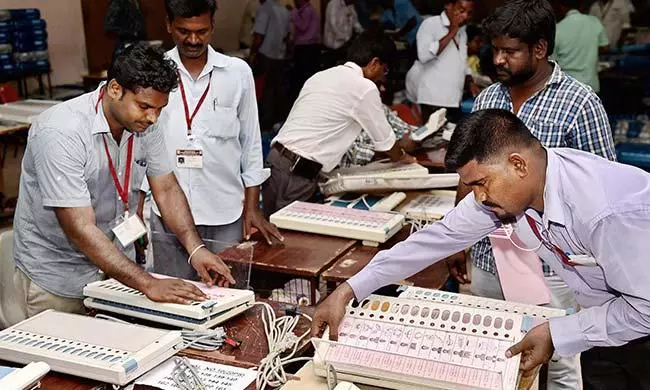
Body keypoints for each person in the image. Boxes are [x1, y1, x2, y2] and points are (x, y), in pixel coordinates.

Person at [311, 108, 650, 388]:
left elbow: (645, 309)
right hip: (607, 328)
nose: (479, 197)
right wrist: (350, 288)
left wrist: (559, 332)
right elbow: (437, 238)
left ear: (518, 164)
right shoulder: (514, 192)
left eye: (481, 184)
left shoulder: (606, 212)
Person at [0, 43, 235, 329]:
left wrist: (196, 249)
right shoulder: (61, 132)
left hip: (111, 273)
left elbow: (166, 188)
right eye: (145, 107)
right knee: (59, 369)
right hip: (57, 279)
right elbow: (80, 228)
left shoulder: (145, 123)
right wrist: (147, 283)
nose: (153, 117)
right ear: (114, 89)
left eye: (160, 109)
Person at [446, 1, 617, 387]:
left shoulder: (580, 103)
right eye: (495, 50)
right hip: (491, 256)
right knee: (491, 353)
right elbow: (469, 176)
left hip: (552, 265)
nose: (499, 60)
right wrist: (458, 241)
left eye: (510, 51)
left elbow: (599, 187)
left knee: (557, 361)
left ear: (539, 49)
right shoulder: (489, 100)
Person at [141, 0, 282, 282]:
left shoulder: (237, 73)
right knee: (173, 295)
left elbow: (251, 142)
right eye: (183, 31)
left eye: (202, 31)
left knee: (227, 295)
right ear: (168, 25)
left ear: (212, 27)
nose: (193, 40)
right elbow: (138, 140)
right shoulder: (153, 72)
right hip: (166, 212)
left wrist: (252, 206)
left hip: (225, 211)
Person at [262, 33, 416, 216]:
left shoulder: (321, 76)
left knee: (272, 235)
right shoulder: (364, 87)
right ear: (374, 63)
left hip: (276, 161)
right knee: (290, 238)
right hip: (297, 174)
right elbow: (387, 143)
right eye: (385, 71)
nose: (382, 79)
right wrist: (405, 158)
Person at [405, 0, 477, 123]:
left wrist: (469, 80)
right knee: (431, 139)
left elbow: (462, 61)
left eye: (469, 13)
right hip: (432, 99)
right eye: (461, 10)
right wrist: (452, 32)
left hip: (454, 99)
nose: (465, 16)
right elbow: (424, 56)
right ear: (448, 5)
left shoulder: (462, 32)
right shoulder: (430, 24)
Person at [249, 0, 291, 132]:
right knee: (276, 89)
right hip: (279, 55)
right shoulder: (284, 10)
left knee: (262, 90)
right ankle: (275, 122)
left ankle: (262, 125)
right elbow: (287, 36)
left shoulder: (264, 9)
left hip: (265, 55)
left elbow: (258, 37)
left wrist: (251, 55)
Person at [553, 0, 609, 93]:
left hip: (567, 88)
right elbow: (605, 47)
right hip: (591, 86)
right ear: (581, 6)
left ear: (562, 8)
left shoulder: (557, 29)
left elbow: (552, 62)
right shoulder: (594, 22)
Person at [291, 0, 321, 101]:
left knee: (302, 77)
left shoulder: (307, 11)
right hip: (310, 47)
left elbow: (302, 26)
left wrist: (294, 13)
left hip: (306, 48)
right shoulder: (310, 10)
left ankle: (303, 99)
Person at [323, 0, 362, 67]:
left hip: (344, 45)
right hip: (333, 44)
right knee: (331, 67)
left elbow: (355, 22)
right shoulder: (334, 4)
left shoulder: (350, 5)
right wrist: (346, 37)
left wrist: (362, 32)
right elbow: (333, 25)